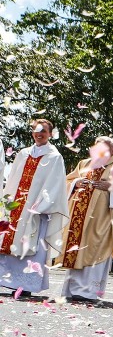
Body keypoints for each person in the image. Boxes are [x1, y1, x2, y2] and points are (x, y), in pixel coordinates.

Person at [60, 136, 113, 301]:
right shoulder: (84, 164)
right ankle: (72, 290)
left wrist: (112, 187)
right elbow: (67, 181)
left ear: (112, 150)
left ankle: (89, 292)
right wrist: (76, 183)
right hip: (79, 219)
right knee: (77, 251)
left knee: (95, 251)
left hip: (101, 220)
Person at [0, 119, 68, 297]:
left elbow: (56, 185)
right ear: (32, 133)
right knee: (11, 240)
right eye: (36, 130)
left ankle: (26, 284)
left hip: (37, 211)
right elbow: (13, 178)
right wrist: (7, 203)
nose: (39, 134)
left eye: (43, 131)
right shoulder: (23, 153)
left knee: (33, 246)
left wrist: (41, 205)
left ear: (50, 134)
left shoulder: (54, 157)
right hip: (16, 207)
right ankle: (8, 280)